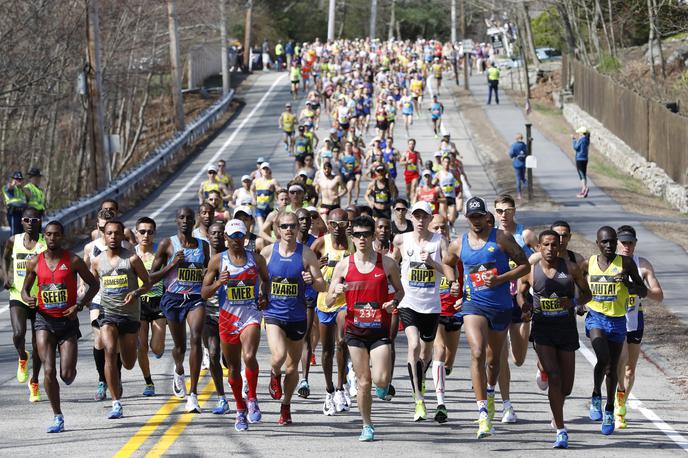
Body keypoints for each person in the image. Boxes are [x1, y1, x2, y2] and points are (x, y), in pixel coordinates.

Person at [442, 196, 530, 439]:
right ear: (467, 219)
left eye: (480, 216)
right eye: (472, 217)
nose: (476, 221)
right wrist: (453, 282)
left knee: (493, 361)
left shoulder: (501, 239)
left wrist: (501, 279)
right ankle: (482, 412)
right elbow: (447, 262)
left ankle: (490, 393)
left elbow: (525, 266)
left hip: (500, 306)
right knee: (477, 352)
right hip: (473, 304)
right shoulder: (459, 243)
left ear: (486, 217)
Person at [325, 215, 404, 441]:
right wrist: (336, 292)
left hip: (380, 330)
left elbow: (400, 291)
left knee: (380, 379)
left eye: (365, 234)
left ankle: (383, 387)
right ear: (352, 236)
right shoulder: (343, 265)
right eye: (357, 234)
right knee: (364, 381)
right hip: (355, 331)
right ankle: (367, 425)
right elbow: (329, 301)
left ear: (372, 236)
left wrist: (394, 302)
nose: (361, 239)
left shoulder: (386, 263)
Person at [21, 221, 99, 433]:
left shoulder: (73, 261)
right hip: (43, 320)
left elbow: (94, 284)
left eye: (56, 234)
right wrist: (28, 298)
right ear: (43, 237)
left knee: (67, 375)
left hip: (67, 323)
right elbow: (25, 291)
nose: (52, 238)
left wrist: (80, 304)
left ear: (62, 237)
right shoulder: (35, 262)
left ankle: (67, 373)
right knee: (48, 370)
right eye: (48, 234)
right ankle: (57, 416)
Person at [518, 230, 592, 449]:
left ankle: (556, 403)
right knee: (555, 376)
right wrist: (525, 305)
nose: (550, 249)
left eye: (553, 245)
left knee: (566, 388)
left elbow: (587, 294)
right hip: (542, 329)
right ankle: (561, 430)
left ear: (559, 245)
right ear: (539, 247)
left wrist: (575, 302)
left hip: (566, 329)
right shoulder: (532, 270)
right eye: (545, 245)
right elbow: (521, 291)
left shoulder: (570, 268)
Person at [202, 219, 269, 431]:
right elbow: (203, 293)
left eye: (241, 236)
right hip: (227, 318)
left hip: (250, 315)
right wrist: (218, 283)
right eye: (233, 236)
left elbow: (266, 280)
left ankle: (252, 398)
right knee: (233, 368)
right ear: (226, 238)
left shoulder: (256, 259)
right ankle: (240, 410)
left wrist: (263, 295)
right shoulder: (217, 261)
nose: (237, 240)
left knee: (249, 357)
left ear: (245, 237)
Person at [260, 211, 327, 424]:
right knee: (278, 356)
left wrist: (311, 280)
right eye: (284, 226)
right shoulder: (268, 252)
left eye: (292, 226)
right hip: (273, 314)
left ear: (298, 228)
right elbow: (257, 281)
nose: (289, 230)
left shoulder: (306, 254)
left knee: (292, 367)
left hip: (297, 316)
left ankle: (286, 406)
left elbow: (322, 285)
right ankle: (273, 373)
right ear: (277, 229)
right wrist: (259, 297)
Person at [585, 226, 647, 435]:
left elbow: (643, 291)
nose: (609, 246)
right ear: (598, 244)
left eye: (612, 241)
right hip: (596, 318)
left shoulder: (626, 264)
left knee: (612, 368)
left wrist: (629, 284)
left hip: (618, 320)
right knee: (602, 358)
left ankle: (609, 408)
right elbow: (579, 285)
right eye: (605, 242)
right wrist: (578, 302)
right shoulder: (590, 263)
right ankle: (595, 395)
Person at [392, 201, 449, 422]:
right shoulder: (401, 240)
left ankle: (420, 381)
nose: (420, 221)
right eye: (416, 217)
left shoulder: (439, 242)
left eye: (424, 217)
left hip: (431, 306)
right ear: (410, 218)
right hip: (408, 303)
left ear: (430, 218)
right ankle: (419, 401)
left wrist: (433, 263)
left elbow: (449, 272)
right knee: (413, 345)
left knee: (425, 355)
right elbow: (390, 265)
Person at [151, 208, 210, 412]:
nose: (185, 221)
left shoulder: (203, 246)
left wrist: (209, 280)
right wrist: (173, 264)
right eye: (182, 217)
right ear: (177, 221)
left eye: (189, 218)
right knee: (180, 347)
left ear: (195, 222)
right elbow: (152, 276)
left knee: (195, 338)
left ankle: (193, 395)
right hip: (173, 299)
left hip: (195, 298)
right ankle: (178, 369)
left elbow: (209, 273)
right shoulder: (168, 244)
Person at [90, 221, 151, 419]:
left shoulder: (132, 259)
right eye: (109, 233)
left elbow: (148, 283)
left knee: (129, 363)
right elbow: (92, 283)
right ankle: (116, 402)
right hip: (108, 313)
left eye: (117, 233)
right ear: (104, 236)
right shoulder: (97, 261)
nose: (113, 237)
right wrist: (81, 299)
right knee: (109, 351)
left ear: (123, 236)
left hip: (130, 315)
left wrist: (135, 292)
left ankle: (134, 345)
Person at [614, 225, 664, 429]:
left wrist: (641, 290)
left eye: (630, 243)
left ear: (635, 243)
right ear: (617, 242)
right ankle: (615, 405)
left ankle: (621, 406)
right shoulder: (608, 263)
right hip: (614, 319)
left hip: (635, 318)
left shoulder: (642, 265)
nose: (627, 246)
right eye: (623, 242)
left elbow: (659, 296)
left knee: (629, 370)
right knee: (618, 363)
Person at [494, 194, 537, 423]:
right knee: (499, 354)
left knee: (518, 359)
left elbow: (543, 257)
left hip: (521, 300)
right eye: (499, 211)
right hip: (498, 299)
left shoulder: (525, 234)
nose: (504, 215)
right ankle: (506, 405)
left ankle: (540, 364)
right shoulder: (492, 235)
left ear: (514, 211)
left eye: (508, 210)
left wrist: (529, 276)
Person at [311, 209, 354, 414]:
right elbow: (307, 266)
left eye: (342, 224)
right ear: (328, 225)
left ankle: (340, 387)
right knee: (326, 350)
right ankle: (329, 391)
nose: (338, 229)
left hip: (345, 301)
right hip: (324, 301)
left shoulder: (353, 245)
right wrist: (317, 267)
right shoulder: (321, 243)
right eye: (334, 224)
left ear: (348, 224)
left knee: (342, 342)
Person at [1, 208, 46, 401]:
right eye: (26, 219)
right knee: (19, 334)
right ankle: (22, 357)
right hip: (18, 295)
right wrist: (5, 276)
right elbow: (4, 258)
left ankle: (34, 381)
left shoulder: (46, 242)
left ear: (39, 221)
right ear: (21, 221)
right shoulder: (14, 240)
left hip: (41, 299)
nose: (29, 223)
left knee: (39, 346)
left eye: (33, 220)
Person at [429, 214, 462, 423]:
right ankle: (440, 402)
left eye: (444, 227)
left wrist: (465, 299)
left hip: (456, 310)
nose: (441, 231)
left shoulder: (458, 251)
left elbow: (469, 277)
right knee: (439, 350)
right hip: (435, 310)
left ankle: (440, 370)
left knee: (449, 360)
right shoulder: (427, 254)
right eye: (436, 227)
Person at [134, 217, 166, 397]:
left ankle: (158, 350)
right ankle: (148, 381)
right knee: (141, 346)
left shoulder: (159, 253)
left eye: (150, 232)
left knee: (157, 347)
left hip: (158, 301)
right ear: (136, 233)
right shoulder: (131, 254)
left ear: (154, 234)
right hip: (138, 302)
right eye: (142, 232)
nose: (146, 235)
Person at [252, 162, 278, 229]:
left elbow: (279, 190)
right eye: (264, 169)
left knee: (268, 230)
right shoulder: (256, 181)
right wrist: (253, 199)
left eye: (267, 169)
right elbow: (252, 190)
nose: (265, 170)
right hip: (259, 208)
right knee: (262, 229)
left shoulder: (273, 181)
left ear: (269, 170)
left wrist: (275, 188)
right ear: (260, 170)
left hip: (269, 208)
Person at [3, 171, 27, 235]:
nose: (19, 181)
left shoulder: (21, 190)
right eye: (17, 179)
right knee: (14, 233)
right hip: (13, 212)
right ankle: (12, 245)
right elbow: (9, 187)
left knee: (22, 232)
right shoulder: (8, 187)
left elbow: (25, 199)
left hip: (22, 213)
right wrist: (13, 183)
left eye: (20, 179)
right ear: (13, 179)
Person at [401, 139, 422, 204]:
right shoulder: (405, 153)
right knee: (408, 191)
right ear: (408, 145)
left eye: (413, 144)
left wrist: (420, 163)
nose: (411, 145)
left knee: (413, 188)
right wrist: (407, 162)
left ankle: (413, 203)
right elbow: (400, 162)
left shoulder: (417, 153)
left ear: (414, 145)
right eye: (410, 144)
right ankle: (408, 200)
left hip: (415, 174)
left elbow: (421, 162)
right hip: (407, 174)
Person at [508, 134, 528, 200]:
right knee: (523, 177)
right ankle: (528, 188)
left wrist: (514, 156)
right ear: (522, 138)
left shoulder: (514, 145)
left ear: (516, 138)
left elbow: (511, 154)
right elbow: (527, 153)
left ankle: (519, 194)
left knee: (518, 179)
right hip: (524, 163)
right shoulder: (524, 145)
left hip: (517, 164)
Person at [572, 127, 590, 198]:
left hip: (579, 159)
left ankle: (584, 188)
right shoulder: (587, 140)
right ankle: (583, 191)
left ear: (582, 133)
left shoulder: (581, 140)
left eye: (579, 133)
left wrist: (574, 140)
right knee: (584, 174)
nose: (579, 134)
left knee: (581, 175)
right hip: (585, 159)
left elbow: (575, 147)